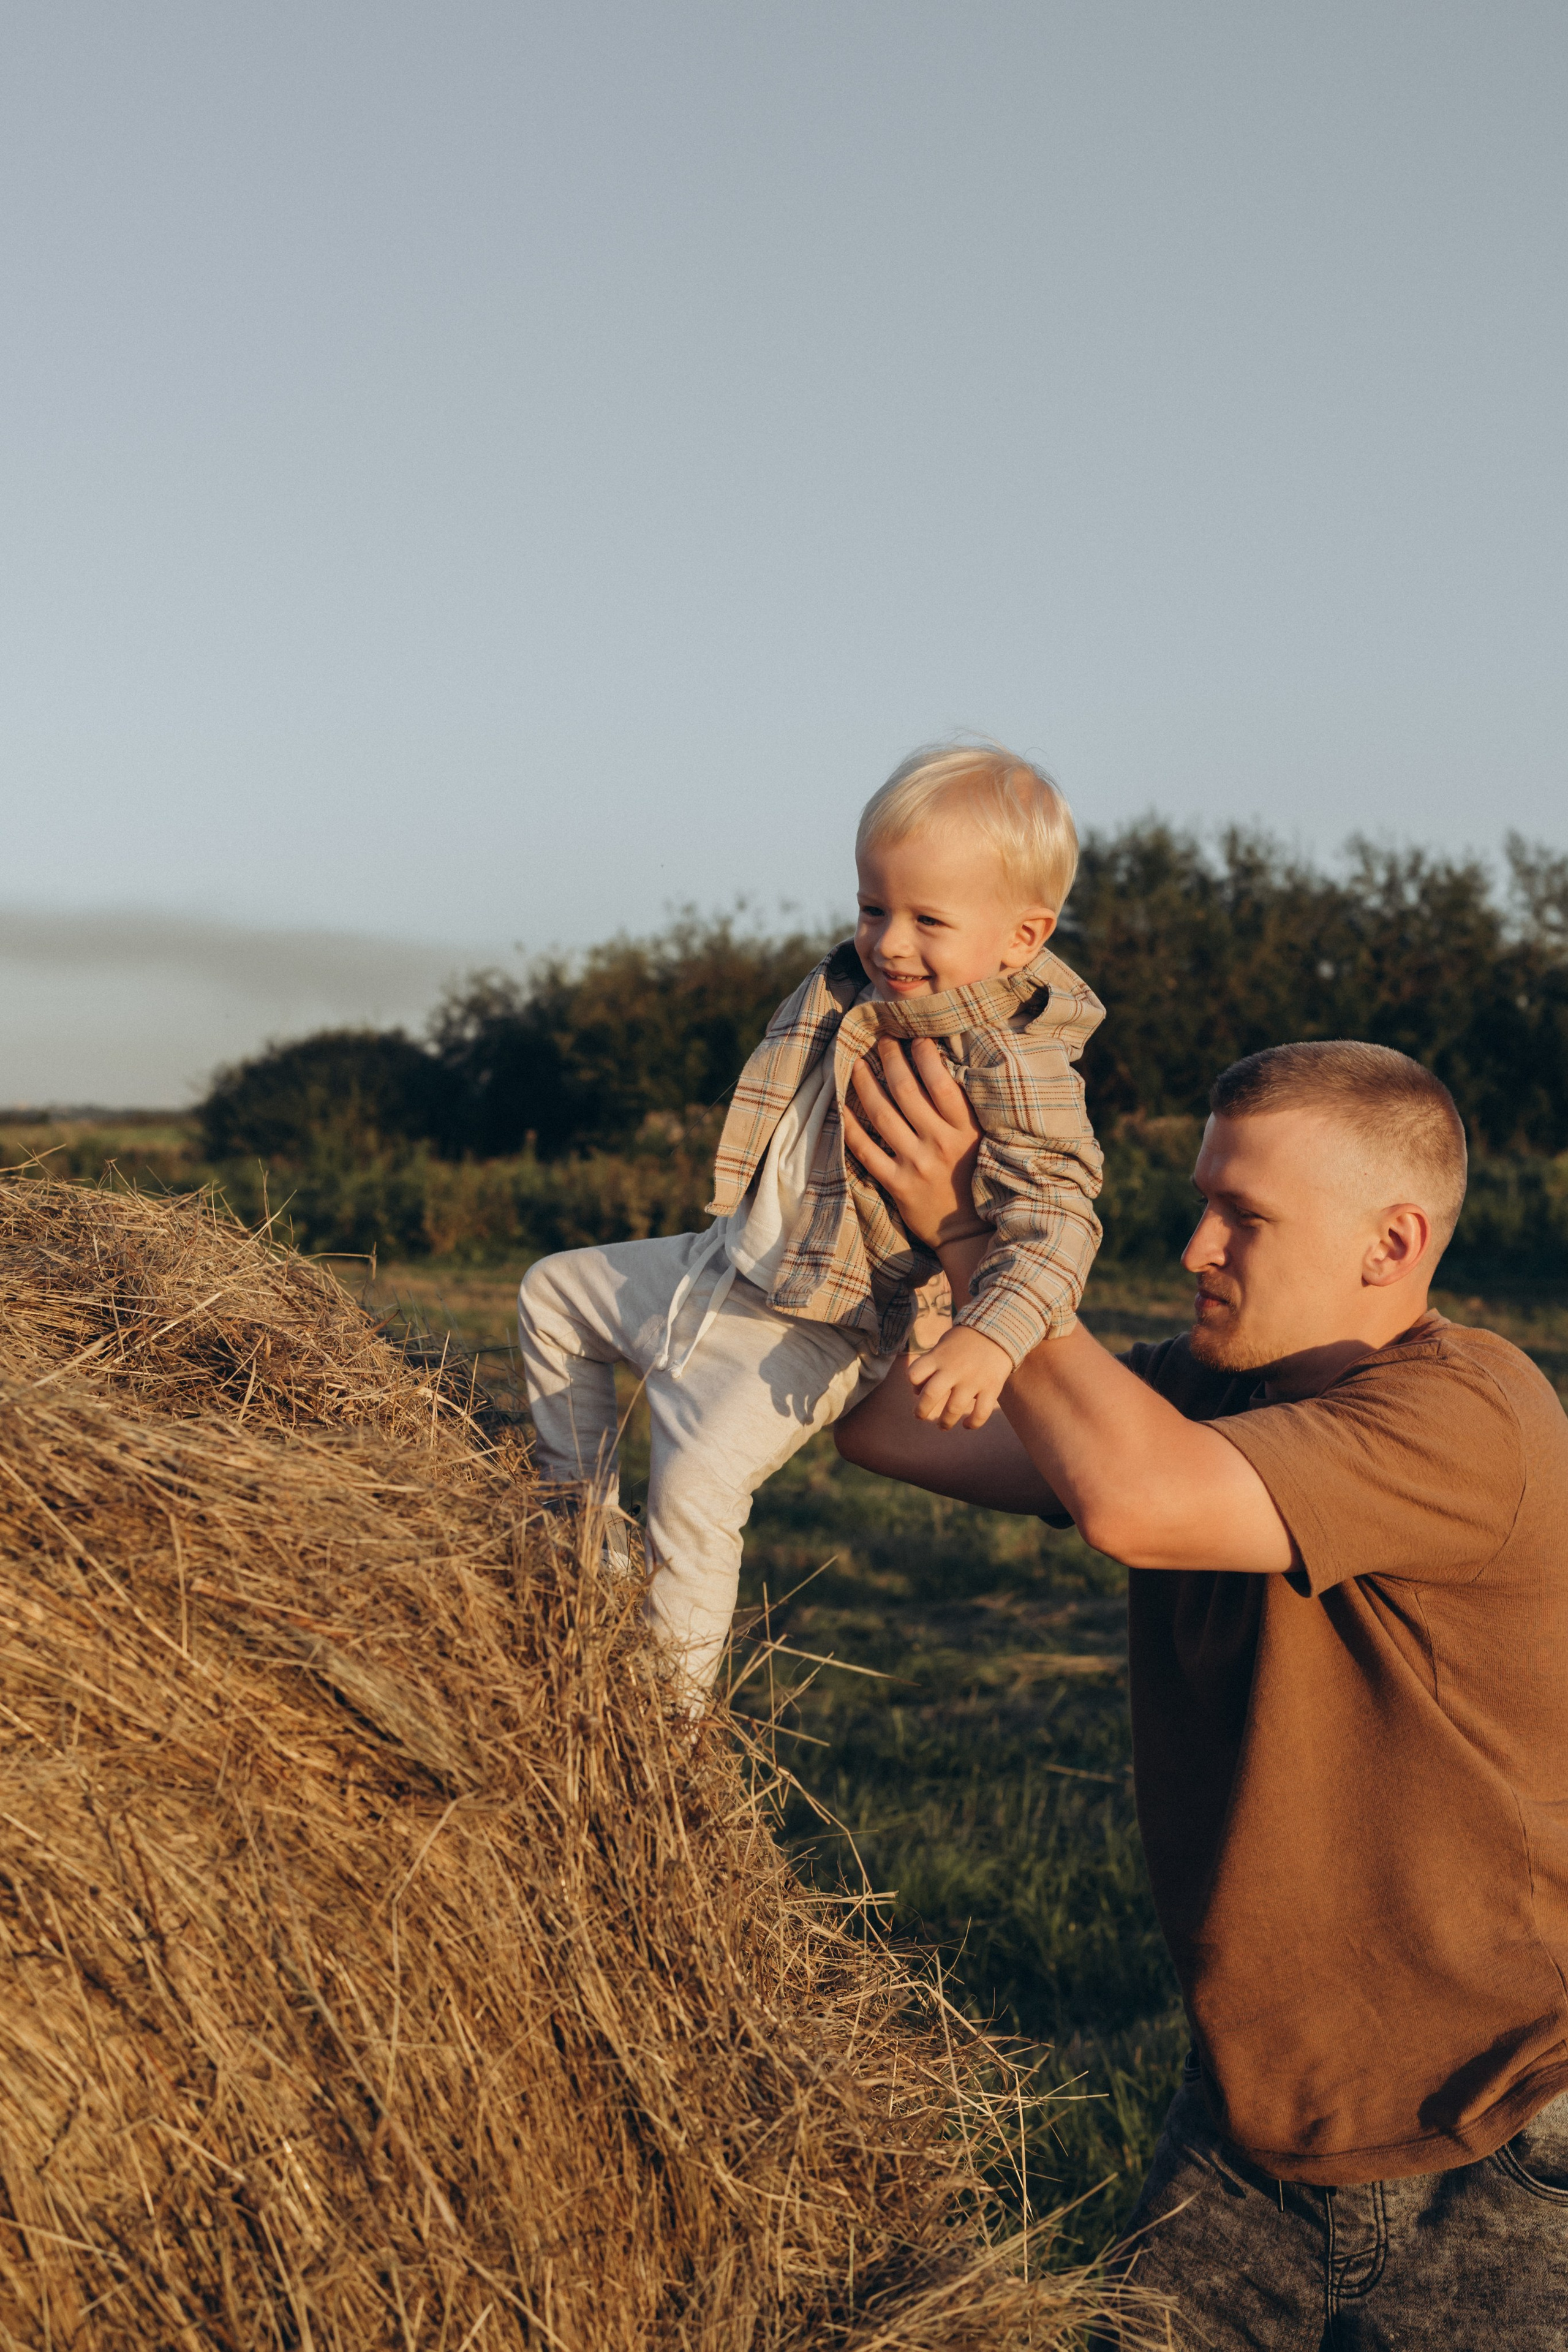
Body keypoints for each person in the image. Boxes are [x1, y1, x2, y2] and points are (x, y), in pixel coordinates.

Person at [832, 1033, 1568, 2350]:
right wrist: (857, 1229)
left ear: (1388, 1246)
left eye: (1243, 1215)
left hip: (1495, 2133)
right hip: (1251, 2114)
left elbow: (1135, 1500)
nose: (1193, 1247)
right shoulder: (1192, 1389)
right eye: (1198, 1203)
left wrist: (983, 1246)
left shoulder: (1472, 1417)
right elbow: (887, 1427)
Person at [517, 742, 1104, 1693]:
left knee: (702, 1478)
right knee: (552, 1294)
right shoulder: (857, 987)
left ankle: (666, 1733)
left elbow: (1061, 1220)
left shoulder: (1016, 1066)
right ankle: (581, 1550)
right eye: (874, 907)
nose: (891, 942)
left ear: (1023, 938)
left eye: (928, 919)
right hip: (722, 1262)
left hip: (828, 1315)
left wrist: (990, 1338)